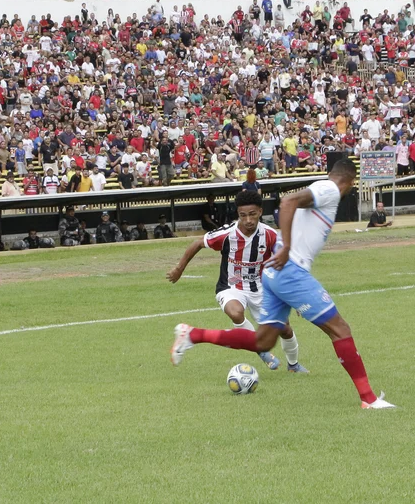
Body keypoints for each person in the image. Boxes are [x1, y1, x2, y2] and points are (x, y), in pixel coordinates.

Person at [171, 160, 395, 409]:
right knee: (340, 329)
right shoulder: (330, 189)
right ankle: (369, 399)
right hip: (290, 271)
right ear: (350, 182)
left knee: (263, 342)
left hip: (274, 273)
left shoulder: (320, 191)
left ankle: (192, 335)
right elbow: (287, 202)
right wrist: (287, 246)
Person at [166, 191, 304, 372]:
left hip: (262, 289)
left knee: (284, 329)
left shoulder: (270, 235)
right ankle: (260, 350)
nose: (248, 220)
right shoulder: (226, 234)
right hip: (231, 287)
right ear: (238, 214)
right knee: (236, 313)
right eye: (243, 215)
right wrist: (179, 269)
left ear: (260, 212)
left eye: (252, 214)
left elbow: (285, 263)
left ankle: (293, 365)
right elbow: (198, 243)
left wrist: (296, 297)